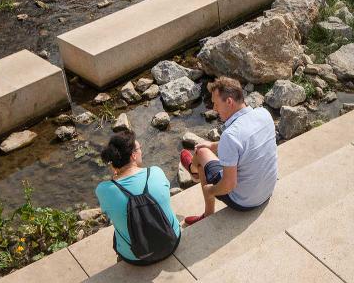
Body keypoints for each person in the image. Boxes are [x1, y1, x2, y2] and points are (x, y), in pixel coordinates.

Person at [179, 76, 278, 226]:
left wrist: (210, 190)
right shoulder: (263, 114)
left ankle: (195, 174)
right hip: (266, 191)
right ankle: (195, 171)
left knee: (200, 153)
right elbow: (246, 141)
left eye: (216, 103)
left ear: (229, 102)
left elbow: (228, 185)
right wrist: (214, 145)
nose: (214, 108)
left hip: (244, 202)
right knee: (207, 149)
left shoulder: (230, 136)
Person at [95, 132, 181, 264]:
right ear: (133, 155)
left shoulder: (103, 190)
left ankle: (123, 256)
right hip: (171, 243)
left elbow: (109, 213)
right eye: (139, 148)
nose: (141, 151)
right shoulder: (156, 172)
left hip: (136, 258)